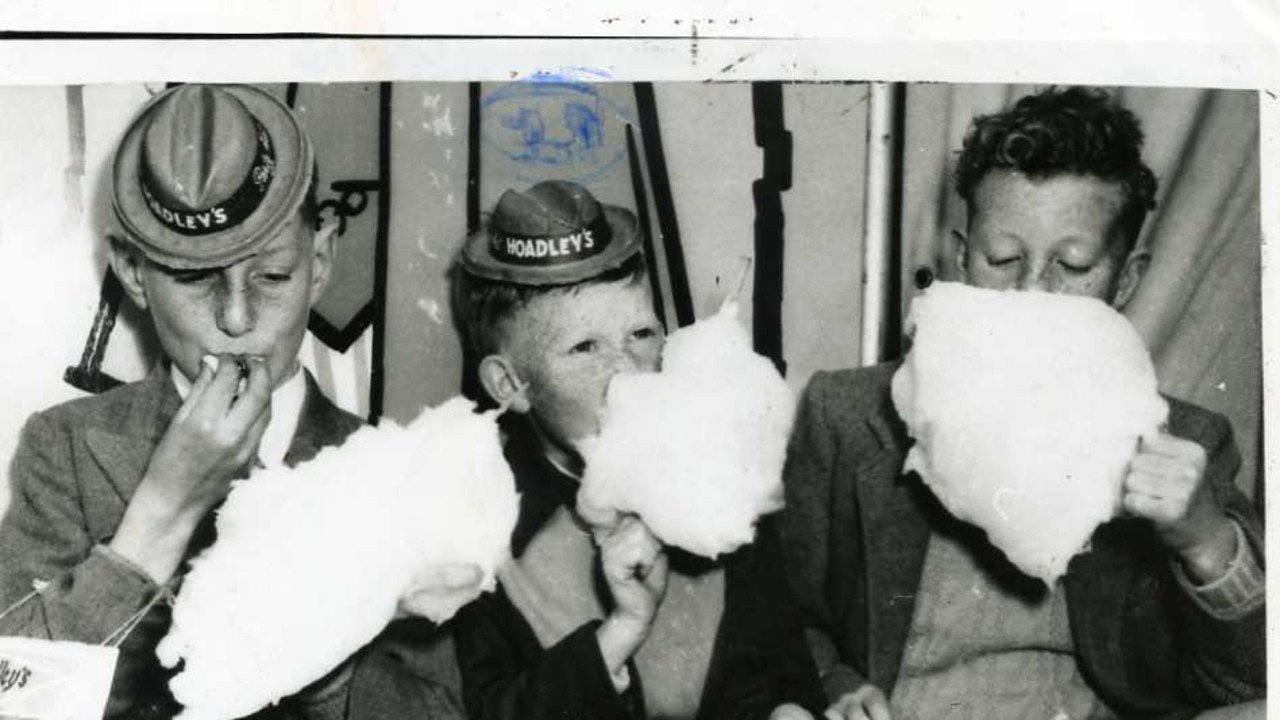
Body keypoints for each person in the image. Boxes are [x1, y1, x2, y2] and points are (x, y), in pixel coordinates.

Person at [778, 86, 1265, 720]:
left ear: (1126, 280)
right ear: (959, 259)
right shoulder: (846, 414)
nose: (1033, 290)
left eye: (1074, 264)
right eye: (1002, 259)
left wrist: (1206, 540)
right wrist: (836, 684)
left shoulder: (1188, 445)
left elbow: (1247, 686)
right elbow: (777, 621)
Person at [0, 84, 475, 720]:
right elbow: (23, 700)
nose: (237, 318)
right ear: (135, 274)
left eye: (272, 276)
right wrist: (162, 512)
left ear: (323, 256)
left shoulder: (394, 473)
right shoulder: (65, 448)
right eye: (195, 280)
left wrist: (319, 642)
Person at [449, 179, 825, 720]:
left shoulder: (719, 479)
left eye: (642, 334)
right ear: (510, 385)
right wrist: (620, 632)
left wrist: (788, 709)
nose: (627, 371)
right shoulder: (474, 529)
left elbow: (771, 668)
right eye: (585, 348)